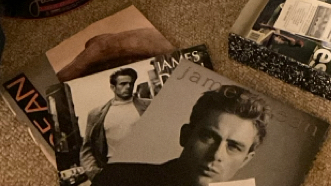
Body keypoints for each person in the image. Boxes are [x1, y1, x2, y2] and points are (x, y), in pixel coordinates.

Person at [95, 86, 269, 186]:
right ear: (185, 135)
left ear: (245, 160)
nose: (216, 155)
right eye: (209, 137)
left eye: (233, 147)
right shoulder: (117, 179)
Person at [80, 67, 150, 180]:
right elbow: (87, 149)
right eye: (123, 84)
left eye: (131, 83)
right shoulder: (96, 114)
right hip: (117, 171)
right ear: (113, 87)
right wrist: (95, 174)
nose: (128, 86)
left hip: (147, 165)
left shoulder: (149, 106)